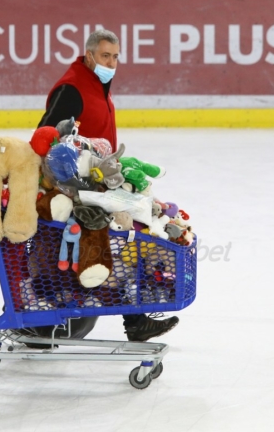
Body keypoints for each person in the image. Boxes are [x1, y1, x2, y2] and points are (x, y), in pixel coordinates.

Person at [37, 30, 179, 342]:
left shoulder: (99, 86)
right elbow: (46, 135)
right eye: (105, 56)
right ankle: (133, 320)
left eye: (115, 56)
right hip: (77, 189)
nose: (112, 62)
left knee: (117, 245)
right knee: (109, 248)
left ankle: (130, 319)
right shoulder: (73, 87)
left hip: (100, 184)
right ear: (89, 56)